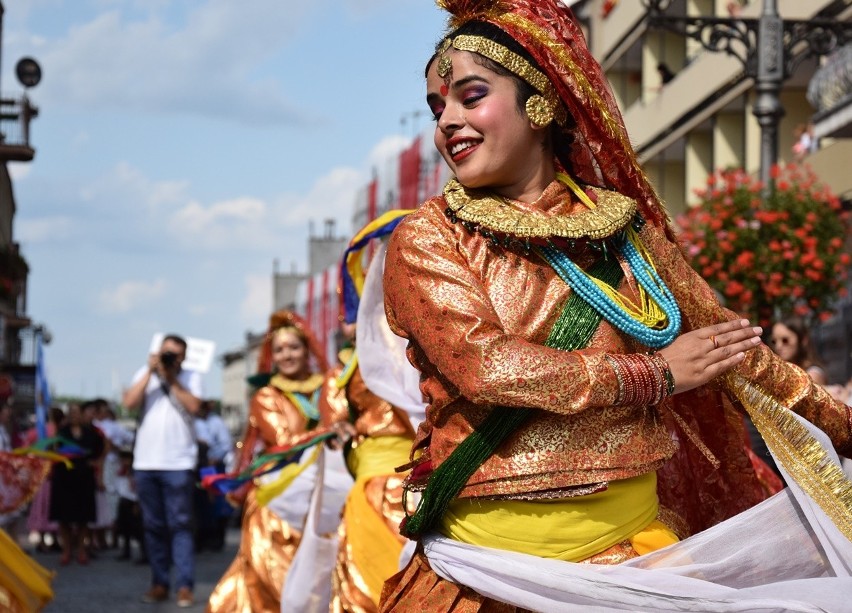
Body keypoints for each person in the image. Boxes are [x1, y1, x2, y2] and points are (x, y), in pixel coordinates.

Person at [378, 2, 852, 610]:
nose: (448, 122)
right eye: (438, 107)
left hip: (637, 560)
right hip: (487, 576)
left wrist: (844, 426)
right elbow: (485, 367)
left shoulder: (626, 235)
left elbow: (736, 356)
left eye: (471, 97)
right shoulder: (430, 236)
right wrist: (656, 375)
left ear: (542, 103)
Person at [318, 211, 418, 612]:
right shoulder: (353, 363)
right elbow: (335, 421)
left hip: (416, 482)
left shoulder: (431, 338)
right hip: (375, 482)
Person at [207, 310, 331, 613]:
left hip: (324, 491)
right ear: (271, 357)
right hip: (278, 497)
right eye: (279, 350)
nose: (287, 355)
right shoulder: (266, 396)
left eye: (293, 347)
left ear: (307, 350)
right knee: (274, 575)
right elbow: (282, 442)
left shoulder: (327, 387)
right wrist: (331, 431)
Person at [123, 333, 203, 608]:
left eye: (175, 355)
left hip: (178, 462)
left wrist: (170, 377)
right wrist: (150, 369)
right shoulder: (145, 374)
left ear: (183, 358)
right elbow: (129, 403)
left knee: (180, 525)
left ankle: (184, 585)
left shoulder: (190, 378)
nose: (170, 358)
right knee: (153, 526)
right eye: (166, 353)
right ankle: (159, 582)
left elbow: (194, 406)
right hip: (145, 462)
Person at [48, 403, 105, 566]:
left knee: (83, 517)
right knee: (64, 517)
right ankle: (66, 550)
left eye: (77, 412)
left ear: (82, 414)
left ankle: (81, 549)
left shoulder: (91, 433)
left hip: (84, 478)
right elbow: (53, 450)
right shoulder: (62, 432)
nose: (74, 415)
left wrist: (96, 463)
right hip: (64, 478)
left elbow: (101, 451)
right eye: (71, 412)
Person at [193, 399, 233, 552]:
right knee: (201, 504)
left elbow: (225, 444)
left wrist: (214, 458)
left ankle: (218, 538)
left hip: (213, 466)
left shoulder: (215, 422)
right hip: (200, 466)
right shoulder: (194, 421)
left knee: (217, 502)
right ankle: (202, 538)